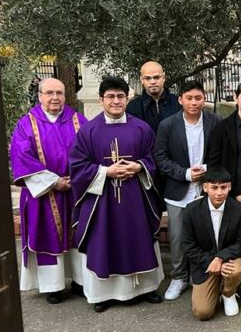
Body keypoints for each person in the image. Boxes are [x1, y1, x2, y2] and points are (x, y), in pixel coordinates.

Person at [69, 77, 164, 312]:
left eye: (120, 96)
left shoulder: (141, 128)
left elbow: (154, 159)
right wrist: (106, 171)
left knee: (138, 238)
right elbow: (77, 166)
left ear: (127, 98)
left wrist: (139, 167)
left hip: (135, 198)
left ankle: (145, 288)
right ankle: (102, 294)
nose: (115, 101)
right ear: (101, 100)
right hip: (102, 201)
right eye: (110, 96)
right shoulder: (88, 131)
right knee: (103, 240)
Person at [10, 78, 88, 304]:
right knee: (47, 237)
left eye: (60, 93)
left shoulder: (78, 120)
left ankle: (80, 282)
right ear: (40, 95)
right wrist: (54, 182)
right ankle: (52, 286)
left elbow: (90, 150)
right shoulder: (26, 124)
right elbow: (21, 156)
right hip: (43, 194)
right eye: (50, 93)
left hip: (75, 190)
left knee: (78, 236)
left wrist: (77, 177)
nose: (55, 97)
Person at [154, 80, 222, 301]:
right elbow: (160, 158)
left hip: (207, 189)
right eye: (189, 98)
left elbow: (222, 154)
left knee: (208, 234)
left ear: (204, 99)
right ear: (180, 99)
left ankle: (200, 275)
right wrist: (184, 173)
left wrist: (206, 171)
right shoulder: (168, 125)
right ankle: (178, 277)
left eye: (198, 98)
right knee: (177, 237)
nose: (194, 102)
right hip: (178, 189)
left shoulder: (215, 122)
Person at [181, 168, 241, 320]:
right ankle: (215, 285)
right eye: (214, 187)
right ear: (205, 187)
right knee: (203, 313)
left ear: (230, 187)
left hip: (229, 258)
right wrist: (210, 261)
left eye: (223, 187)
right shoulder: (191, 211)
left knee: (236, 271)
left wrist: (219, 258)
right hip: (205, 262)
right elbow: (189, 246)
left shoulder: (239, 210)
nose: (219, 193)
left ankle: (228, 293)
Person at [126, 61, 181, 133]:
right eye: (148, 78)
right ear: (142, 80)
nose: (152, 82)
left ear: (163, 78)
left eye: (156, 77)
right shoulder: (133, 107)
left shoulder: (178, 103)